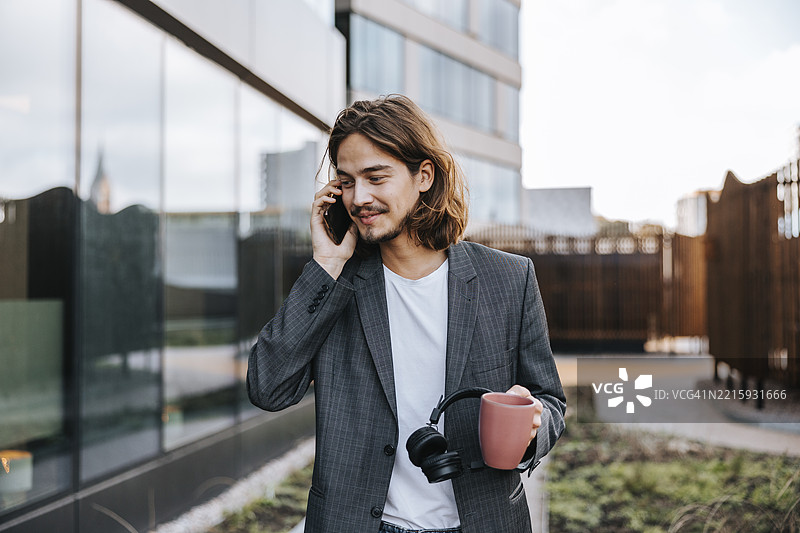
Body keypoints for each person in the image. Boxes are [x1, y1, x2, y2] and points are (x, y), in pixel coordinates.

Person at [247, 95, 565, 533]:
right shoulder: (333, 284)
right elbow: (268, 388)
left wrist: (534, 423)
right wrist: (326, 264)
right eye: (347, 181)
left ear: (423, 175)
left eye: (376, 177)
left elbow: (550, 402)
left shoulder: (509, 279)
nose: (360, 197)